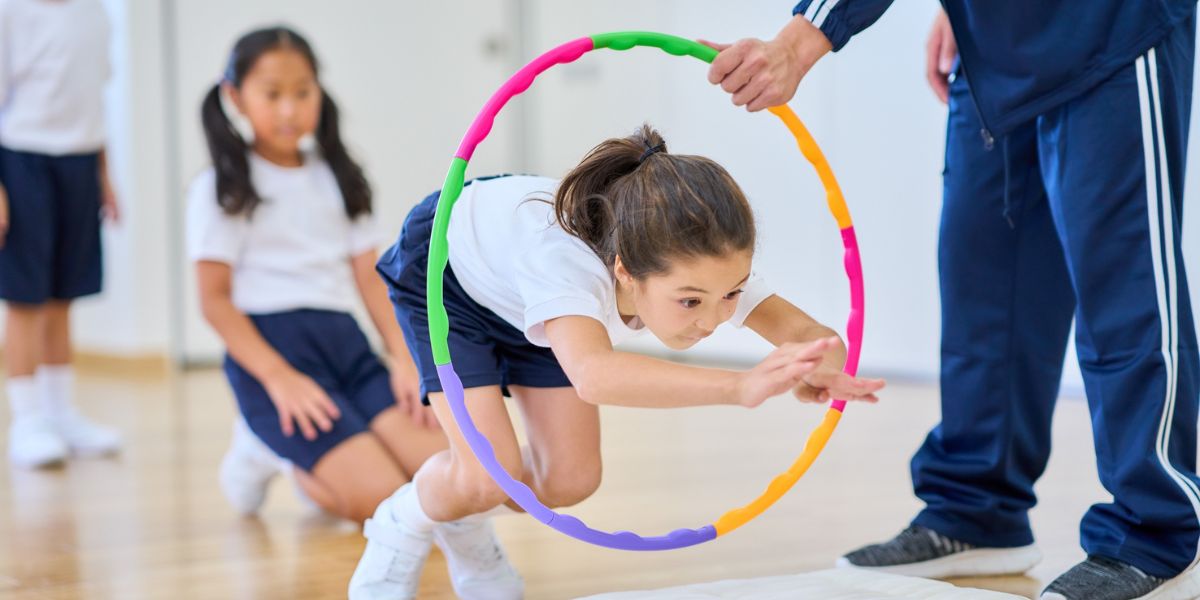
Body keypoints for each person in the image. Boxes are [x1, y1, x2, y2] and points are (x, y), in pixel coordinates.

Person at [703, 2, 1200, 598]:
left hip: (1108, 27)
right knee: (983, 278)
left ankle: (1155, 529)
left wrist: (802, 36)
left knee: (1123, 284)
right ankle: (976, 509)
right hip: (997, 44)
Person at [348, 124, 886, 599]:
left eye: (732, 294)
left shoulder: (702, 264)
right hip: (448, 278)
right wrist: (737, 387)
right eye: (691, 302)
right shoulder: (565, 263)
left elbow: (812, 334)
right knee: (489, 476)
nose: (715, 318)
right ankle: (403, 520)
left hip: (524, 294)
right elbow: (595, 375)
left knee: (572, 479)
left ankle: (460, 517)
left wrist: (820, 363)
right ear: (626, 272)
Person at [188, 26, 446, 523]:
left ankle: (310, 446)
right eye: (272, 94)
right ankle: (266, 448)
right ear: (234, 97)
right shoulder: (221, 187)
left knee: (440, 472)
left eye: (302, 92)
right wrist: (279, 378)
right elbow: (214, 301)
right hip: (272, 352)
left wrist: (403, 358)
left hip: (344, 344)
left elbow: (371, 280)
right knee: (383, 500)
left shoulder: (338, 175)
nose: (289, 109)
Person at [0, 0, 123, 469]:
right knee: (26, 296)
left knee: (63, 294)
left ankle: (60, 412)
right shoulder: (12, 13)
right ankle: (27, 419)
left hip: (80, 162)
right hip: (23, 159)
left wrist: (104, 175)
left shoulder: (95, 14)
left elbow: (92, 99)